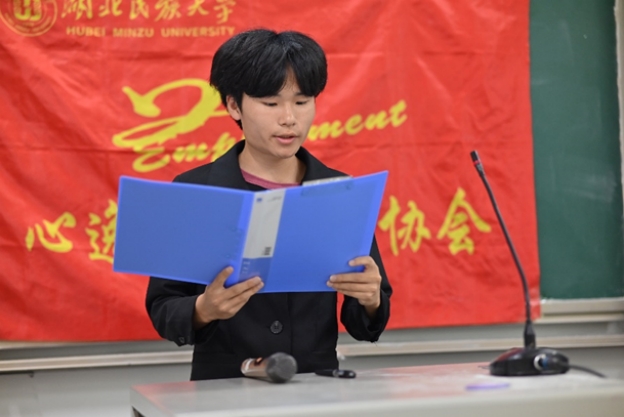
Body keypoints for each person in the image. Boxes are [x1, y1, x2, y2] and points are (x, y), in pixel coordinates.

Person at [146, 29, 392, 381]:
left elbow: (365, 321)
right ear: (234, 105)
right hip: (222, 388)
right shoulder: (195, 191)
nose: (289, 118)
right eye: (271, 103)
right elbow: (163, 306)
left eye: (302, 102)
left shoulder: (338, 192)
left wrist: (370, 299)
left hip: (316, 387)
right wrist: (204, 309)